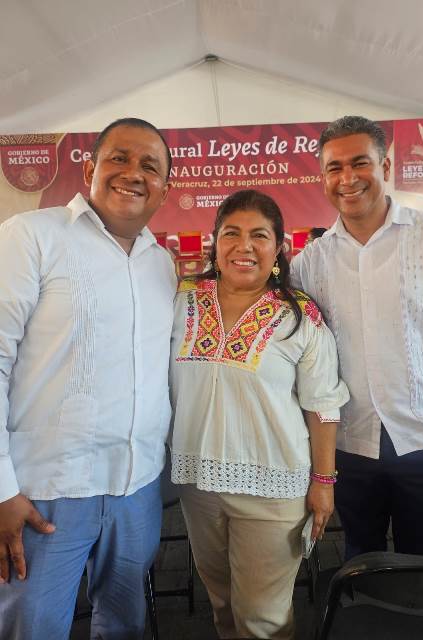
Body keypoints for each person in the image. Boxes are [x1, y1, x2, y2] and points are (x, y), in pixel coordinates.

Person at [0, 117, 176, 639]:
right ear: (89, 167)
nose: (133, 173)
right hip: (44, 493)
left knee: (124, 625)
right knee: (32, 628)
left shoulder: (161, 264)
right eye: (119, 157)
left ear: (166, 185)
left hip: (136, 488)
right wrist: (1, 491)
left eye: (150, 165)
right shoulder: (31, 236)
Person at [291, 115, 423, 561]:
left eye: (360, 163)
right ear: (323, 177)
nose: (347, 178)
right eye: (334, 168)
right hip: (350, 443)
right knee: (362, 555)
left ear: (386, 167)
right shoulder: (309, 263)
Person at [169, 189, 349, 639]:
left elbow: (323, 406)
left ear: (278, 249)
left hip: (273, 486)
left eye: (258, 235)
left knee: (263, 619)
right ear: (214, 242)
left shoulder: (299, 316)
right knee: (224, 608)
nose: (243, 245)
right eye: (231, 233)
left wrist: (323, 484)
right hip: (199, 484)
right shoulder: (181, 301)